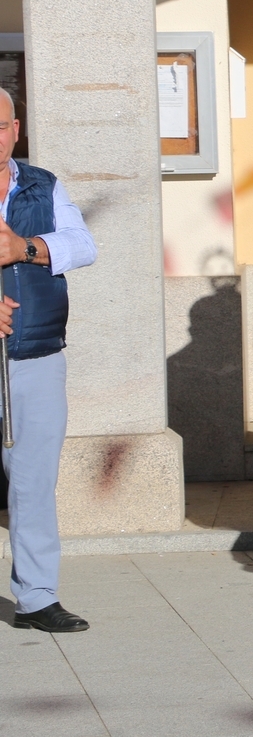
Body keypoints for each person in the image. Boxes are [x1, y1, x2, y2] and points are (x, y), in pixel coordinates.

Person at [0, 88, 98, 632]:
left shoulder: (43, 184)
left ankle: (36, 598)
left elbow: (82, 245)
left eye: (0, 127)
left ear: (16, 130)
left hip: (34, 354)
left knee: (33, 479)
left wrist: (26, 248)